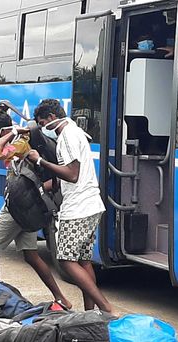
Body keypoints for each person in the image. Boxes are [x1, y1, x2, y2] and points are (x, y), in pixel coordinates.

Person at [29, 99, 114, 314]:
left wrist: (40, 161)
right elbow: (66, 177)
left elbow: (72, 174)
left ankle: (106, 308)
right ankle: (90, 313)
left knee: (66, 260)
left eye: (41, 123)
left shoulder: (66, 136)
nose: (41, 128)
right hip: (92, 204)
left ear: (51, 118)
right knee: (84, 261)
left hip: (77, 208)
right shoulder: (76, 132)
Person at [0, 108, 72, 309]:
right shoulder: (22, 141)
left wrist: (11, 133)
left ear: (2, 130)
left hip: (18, 206)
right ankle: (60, 298)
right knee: (31, 255)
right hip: (29, 204)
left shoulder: (20, 143)